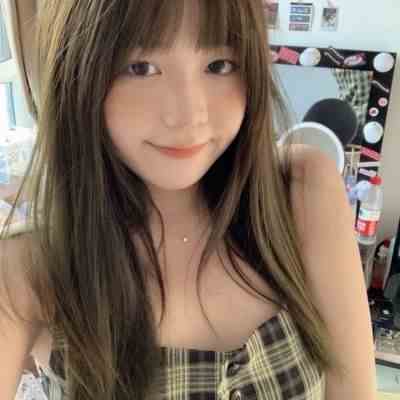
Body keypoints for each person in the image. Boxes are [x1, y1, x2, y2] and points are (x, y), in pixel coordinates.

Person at [1, 1, 377, 399]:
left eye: (219, 65)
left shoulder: (302, 192)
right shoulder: (28, 270)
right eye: (140, 67)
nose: (188, 115)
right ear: (77, 74)